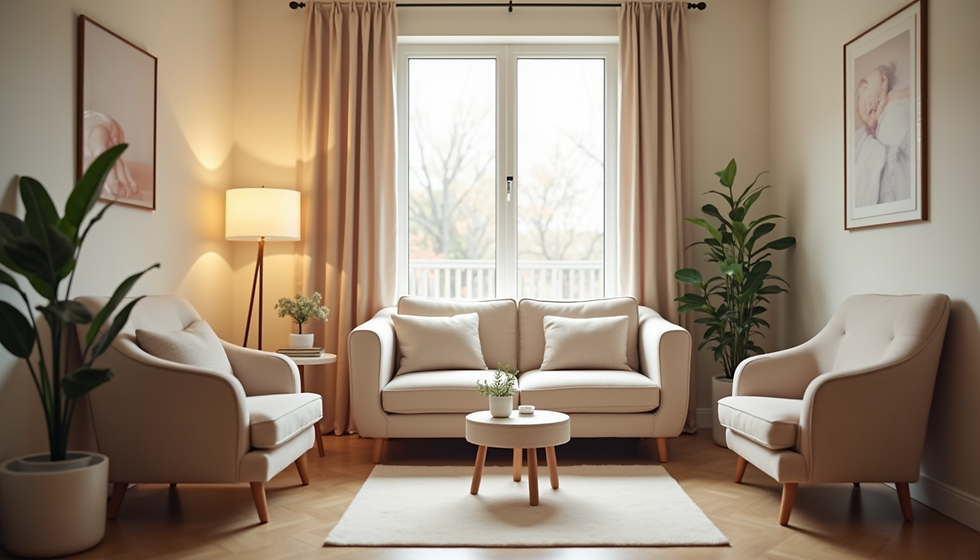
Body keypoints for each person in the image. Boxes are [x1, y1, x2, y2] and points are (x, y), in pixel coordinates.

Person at [852, 63, 911, 207]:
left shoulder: (893, 110)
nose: (870, 101)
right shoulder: (859, 139)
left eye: (877, 97)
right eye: (863, 89)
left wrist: (890, 98)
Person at [82, 110, 139, 199]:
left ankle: (117, 184)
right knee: (112, 158)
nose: (113, 142)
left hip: (95, 126)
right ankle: (120, 184)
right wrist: (131, 183)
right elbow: (122, 165)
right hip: (100, 125)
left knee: (102, 153)